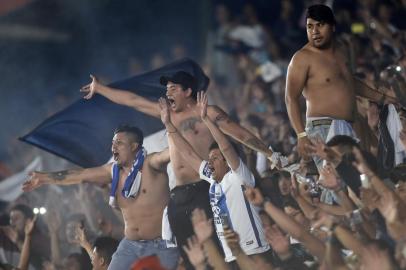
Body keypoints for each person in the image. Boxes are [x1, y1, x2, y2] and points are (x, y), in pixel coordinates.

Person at [80, 70, 284, 267]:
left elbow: (241, 134)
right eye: (167, 89)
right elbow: (133, 101)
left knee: (215, 250)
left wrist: (270, 154)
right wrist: (100, 89)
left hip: (206, 189)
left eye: (173, 88)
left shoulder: (209, 113)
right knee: (189, 255)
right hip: (178, 194)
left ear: (188, 92)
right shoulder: (167, 114)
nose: (168, 93)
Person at [22, 125, 179, 270]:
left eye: (119, 143)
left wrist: (171, 125)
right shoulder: (112, 171)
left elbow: (172, 150)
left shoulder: (151, 163)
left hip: (161, 243)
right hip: (130, 245)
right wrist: (45, 178)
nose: (113, 147)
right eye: (113, 143)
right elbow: (79, 175)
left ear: (133, 146)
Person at [159, 92, 270, 265]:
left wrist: (206, 120)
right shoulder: (212, 180)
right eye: (209, 159)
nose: (210, 162)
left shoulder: (239, 177)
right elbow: (187, 152)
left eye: (215, 158)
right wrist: (168, 124)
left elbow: (226, 147)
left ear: (227, 162)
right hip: (231, 256)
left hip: (254, 252)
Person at [285, 4, 397, 166]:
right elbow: (291, 98)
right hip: (322, 127)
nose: (314, 31)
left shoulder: (341, 50)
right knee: (339, 184)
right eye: (310, 27)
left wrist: (382, 97)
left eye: (320, 25)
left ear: (333, 27)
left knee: (358, 182)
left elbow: (349, 83)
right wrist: (301, 135)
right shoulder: (302, 58)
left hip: (349, 125)